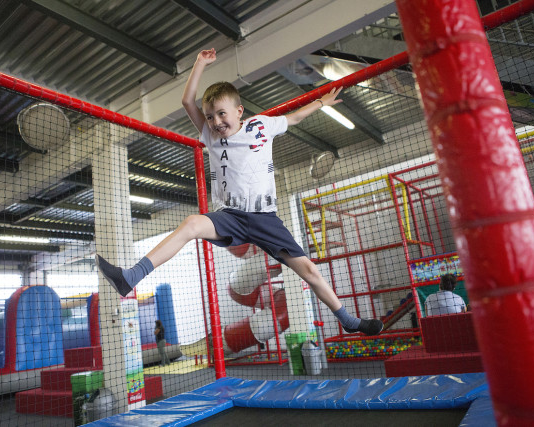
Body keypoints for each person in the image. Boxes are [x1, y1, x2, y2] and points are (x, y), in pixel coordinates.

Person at [96, 48, 383, 336]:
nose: (216, 122)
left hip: (265, 219)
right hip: (230, 216)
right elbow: (186, 101)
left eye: (222, 114)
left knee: (309, 271)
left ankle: (348, 320)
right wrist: (199, 63)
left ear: (239, 111)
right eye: (210, 117)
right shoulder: (210, 136)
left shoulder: (262, 126)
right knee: (192, 223)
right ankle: (131, 276)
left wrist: (321, 102)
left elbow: (294, 118)